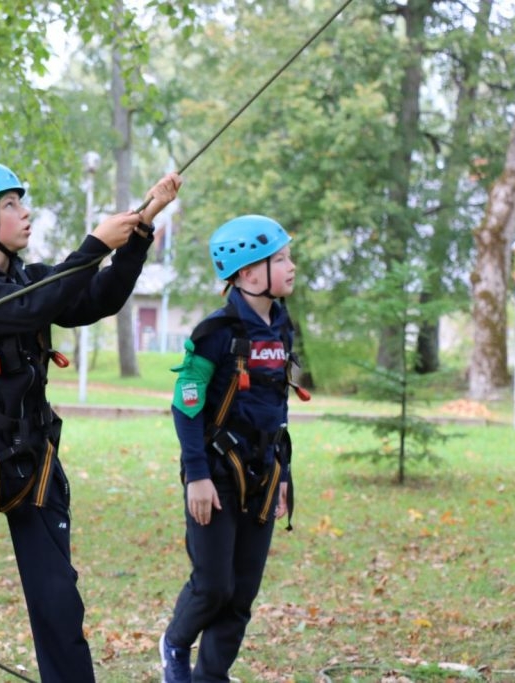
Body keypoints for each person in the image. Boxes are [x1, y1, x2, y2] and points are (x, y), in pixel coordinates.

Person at [0, 160, 182, 683]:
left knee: (58, 602)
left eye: (21, 203)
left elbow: (95, 298)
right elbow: (25, 309)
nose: (25, 214)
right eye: (10, 205)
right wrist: (94, 244)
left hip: (32, 458)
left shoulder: (28, 276)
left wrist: (135, 235)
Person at [159, 214, 302, 683]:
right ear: (246, 273)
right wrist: (196, 476)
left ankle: (210, 676)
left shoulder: (282, 327)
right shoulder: (216, 332)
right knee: (213, 585)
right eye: (279, 259)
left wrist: (283, 475)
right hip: (215, 475)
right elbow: (186, 406)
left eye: (287, 257)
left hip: (262, 474)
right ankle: (175, 645)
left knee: (241, 593)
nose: (291, 266)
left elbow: (275, 411)